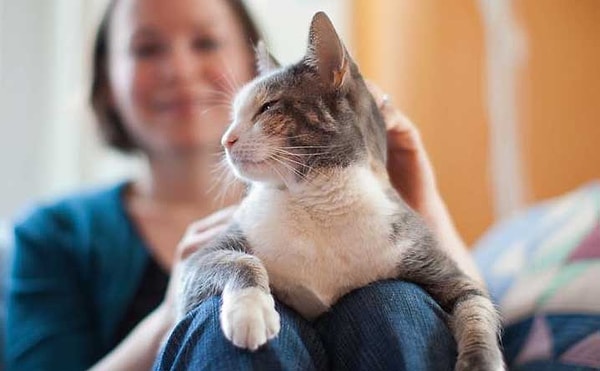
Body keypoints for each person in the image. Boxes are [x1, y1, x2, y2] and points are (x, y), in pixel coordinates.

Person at [5, 0, 483, 370]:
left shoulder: (346, 196)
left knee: (396, 306)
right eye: (146, 48)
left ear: (256, 68)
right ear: (107, 81)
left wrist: (416, 197)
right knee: (224, 329)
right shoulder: (55, 235)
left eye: (206, 43)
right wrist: (172, 311)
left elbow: (475, 320)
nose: (178, 68)